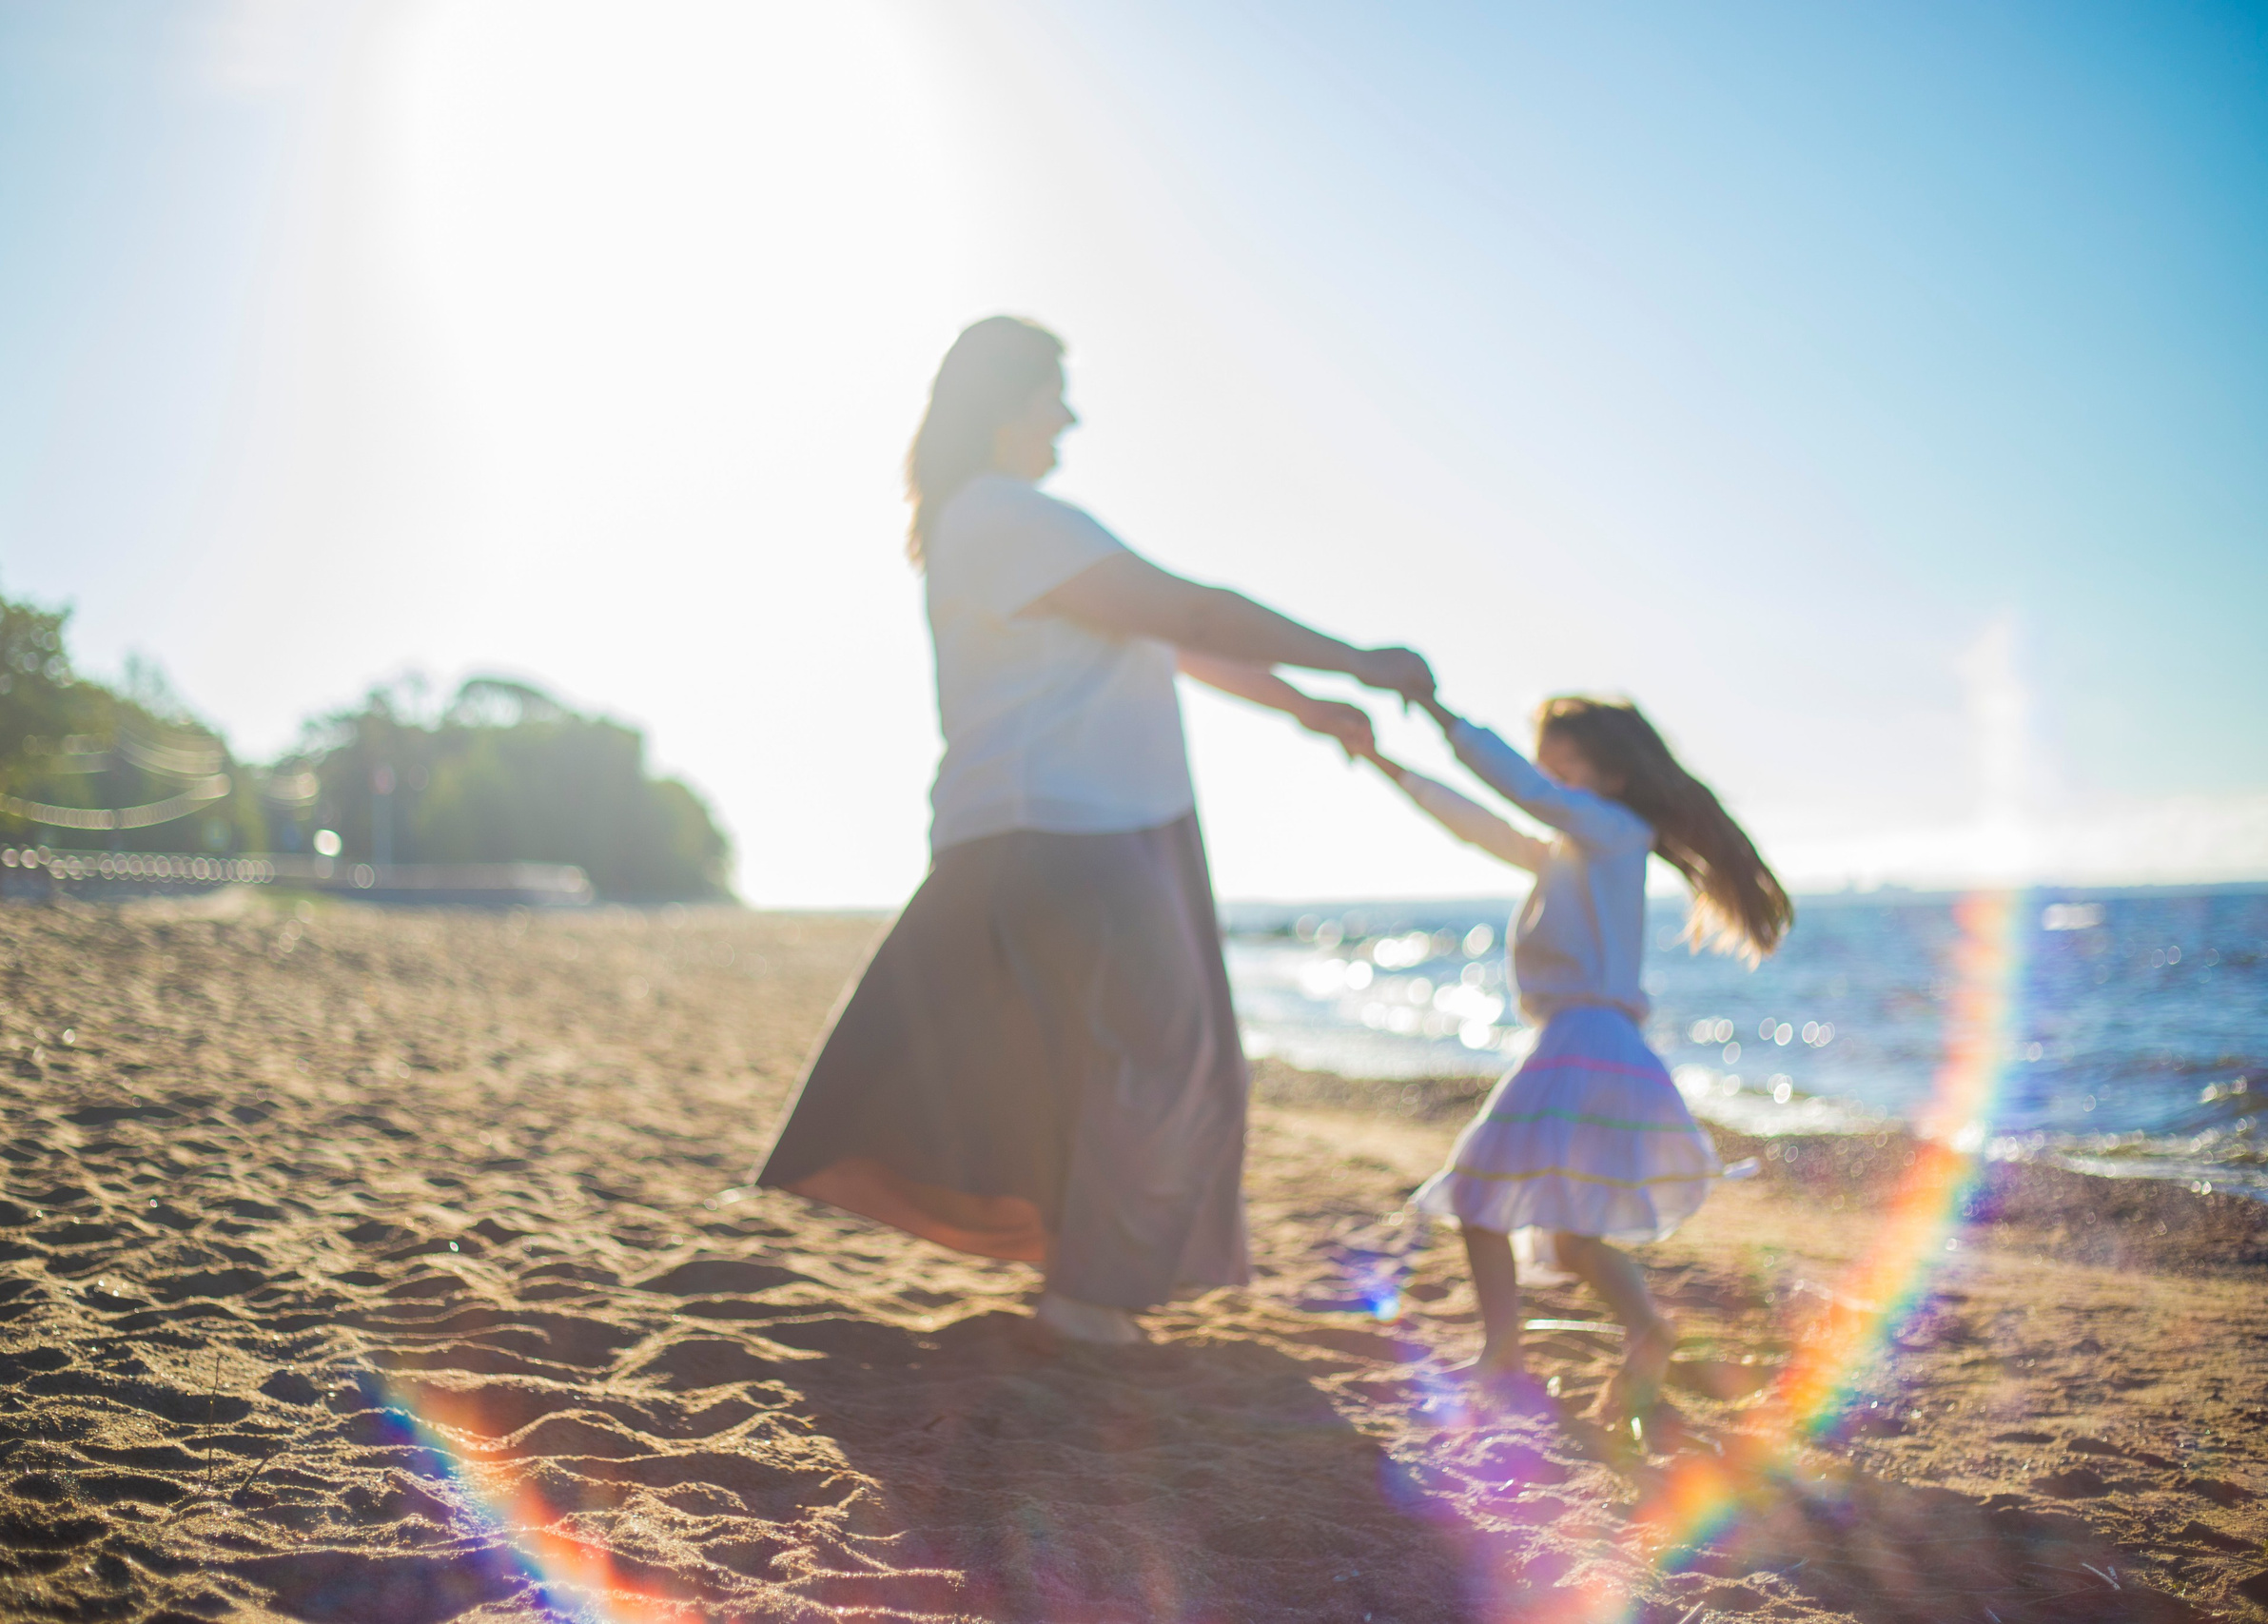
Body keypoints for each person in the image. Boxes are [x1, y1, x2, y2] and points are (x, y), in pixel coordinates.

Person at [755, 315, 1435, 1344]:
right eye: (1052, 395)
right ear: (1004, 402)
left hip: (1050, 823)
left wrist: (1307, 707)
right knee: (1158, 1058)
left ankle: (1084, 1284)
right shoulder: (1004, 514)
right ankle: (1087, 1300)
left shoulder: (986, 521)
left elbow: (1169, 638)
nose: (1068, 419)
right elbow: (1191, 614)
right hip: (1071, 827)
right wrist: (1357, 659)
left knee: (1087, 1059)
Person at [1364, 695, 1790, 1421]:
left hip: (1584, 1039)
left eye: (1563, 767)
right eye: (1546, 765)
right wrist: (1385, 763)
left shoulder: (1614, 831)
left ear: (1615, 776)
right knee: (1567, 1236)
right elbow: (1483, 827)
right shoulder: (1578, 847)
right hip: (1593, 1041)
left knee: (1478, 1194)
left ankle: (1506, 1353)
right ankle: (1644, 1329)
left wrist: (1444, 717)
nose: (1546, 781)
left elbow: (1522, 796)